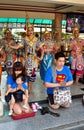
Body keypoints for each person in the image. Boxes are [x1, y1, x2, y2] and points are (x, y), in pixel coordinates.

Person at [9, 22, 40, 94]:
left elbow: (40, 47)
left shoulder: (36, 39)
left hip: (33, 60)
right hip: (26, 60)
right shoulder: (24, 39)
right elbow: (17, 46)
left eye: (31, 30)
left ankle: (29, 89)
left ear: (33, 30)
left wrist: (40, 55)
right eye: (28, 30)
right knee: (25, 75)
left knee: (32, 76)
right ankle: (24, 88)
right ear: (27, 31)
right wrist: (11, 46)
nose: (30, 32)